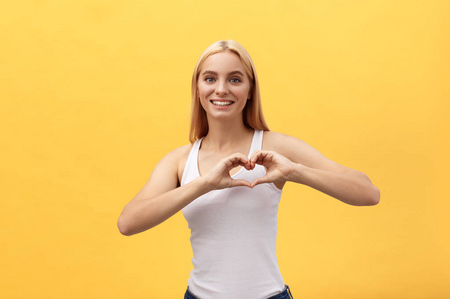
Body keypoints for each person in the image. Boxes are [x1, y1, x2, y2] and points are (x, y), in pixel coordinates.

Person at [117, 40, 380, 299]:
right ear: (197, 89)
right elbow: (128, 223)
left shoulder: (275, 146)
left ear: (250, 89)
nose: (221, 89)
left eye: (234, 79)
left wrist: (295, 172)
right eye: (210, 79)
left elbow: (368, 192)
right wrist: (204, 184)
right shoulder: (180, 161)